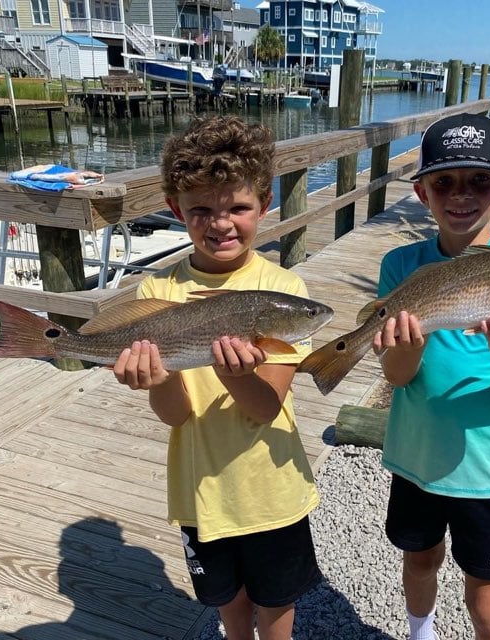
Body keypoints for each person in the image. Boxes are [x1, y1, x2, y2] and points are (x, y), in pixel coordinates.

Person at [112, 115, 321, 640]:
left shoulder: (281, 286)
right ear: (176, 209)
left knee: (276, 608)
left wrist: (233, 375)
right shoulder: (154, 296)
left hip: (272, 491)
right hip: (200, 491)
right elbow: (176, 414)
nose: (220, 222)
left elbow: (265, 407)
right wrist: (155, 377)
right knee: (229, 606)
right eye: (201, 209)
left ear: (265, 205)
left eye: (237, 207)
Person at [374, 112, 490, 640]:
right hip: (415, 458)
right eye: (444, 181)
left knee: (487, 590)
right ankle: (420, 632)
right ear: (423, 192)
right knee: (420, 559)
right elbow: (399, 375)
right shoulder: (400, 266)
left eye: (480, 180)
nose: (462, 194)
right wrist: (410, 339)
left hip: (487, 469)